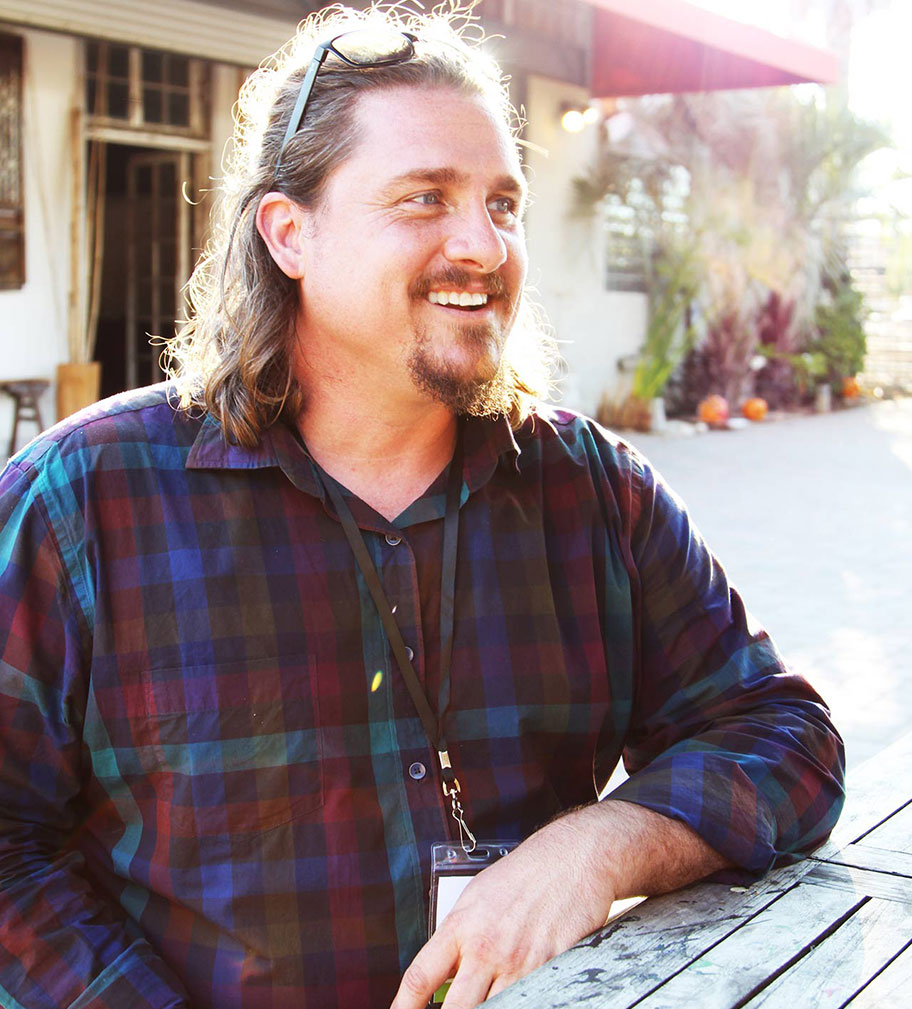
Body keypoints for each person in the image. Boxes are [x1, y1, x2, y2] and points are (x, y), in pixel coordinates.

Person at [0, 5, 844, 1009]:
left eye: (503, 202)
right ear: (289, 234)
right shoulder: (82, 503)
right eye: (426, 199)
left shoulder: (592, 490)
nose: (483, 246)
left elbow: (785, 737)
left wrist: (603, 843)